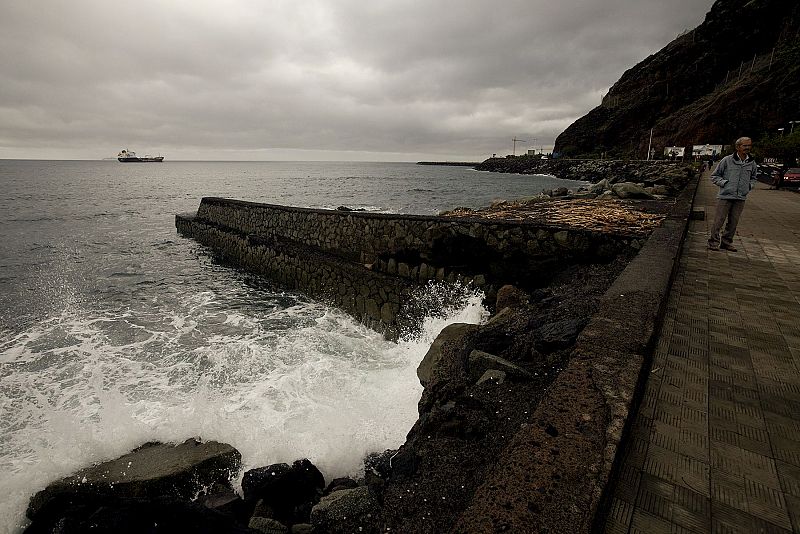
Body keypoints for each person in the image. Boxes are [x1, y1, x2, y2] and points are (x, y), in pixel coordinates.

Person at [708, 137, 758, 251]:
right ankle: (713, 242)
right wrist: (725, 183)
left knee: (733, 222)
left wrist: (749, 186)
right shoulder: (727, 160)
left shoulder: (751, 162)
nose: (747, 148)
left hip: (741, 197)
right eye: (745, 146)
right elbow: (714, 176)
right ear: (738, 147)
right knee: (719, 220)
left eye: (749, 145)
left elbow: (754, 177)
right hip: (725, 195)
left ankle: (726, 242)